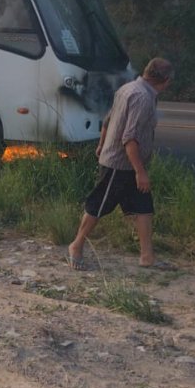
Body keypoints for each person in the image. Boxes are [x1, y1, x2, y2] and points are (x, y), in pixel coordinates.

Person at [68, 57, 174, 270]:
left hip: (128, 163)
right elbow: (130, 138)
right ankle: (76, 245)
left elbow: (108, 120)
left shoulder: (129, 88)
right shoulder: (143, 97)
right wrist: (140, 172)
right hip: (120, 164)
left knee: (144, 208)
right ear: (166, 80)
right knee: (99, 206)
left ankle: (147, 257)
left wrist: (100, 143)